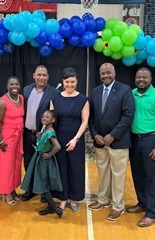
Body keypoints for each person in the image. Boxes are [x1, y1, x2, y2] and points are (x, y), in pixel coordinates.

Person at [88, 63, 135, 221]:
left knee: (118, 175)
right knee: (103, 173)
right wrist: (95, 135)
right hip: (100, 141)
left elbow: (128, 116)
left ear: (114, 73)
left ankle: (118, 206)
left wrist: (113, 135)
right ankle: (103, 200)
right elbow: (92, 117)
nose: (106, 76)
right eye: (103, 73)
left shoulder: (124, 89)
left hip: (118, 141)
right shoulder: (95, 91)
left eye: (109, 73)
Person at [126, 67, 155, 227]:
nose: (141, 80)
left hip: (151, 140)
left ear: (151, 78)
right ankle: (142, 203)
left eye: (144, 77)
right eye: (138, 77)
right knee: (138, 175)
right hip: (134, 140)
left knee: (152, 178)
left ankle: (152, 213)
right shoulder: (130, 94)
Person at [50, 67, 89, 211]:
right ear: (63, 82)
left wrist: (76, 139)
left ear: (77, 81)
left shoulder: (83, 99)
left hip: (76, 140)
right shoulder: (55, 98)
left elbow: (85, 121)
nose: (70, 85)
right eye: (67, 82)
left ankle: (73, 198)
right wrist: (52, 139)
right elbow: (51, 120)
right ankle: (62, 198)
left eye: (72, 82)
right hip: (59, 140)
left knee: (75, 169)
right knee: (61, 169)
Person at [21, 65, 59, 202]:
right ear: (34, 75)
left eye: (44, 75)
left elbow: (53, 115)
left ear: (48, 77)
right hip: (27, 134)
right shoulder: (26, 90)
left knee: (42, 164)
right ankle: (30, 189)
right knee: (28, 162)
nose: (41, 77)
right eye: (39, 75)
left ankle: (43, 192)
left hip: (41, 135)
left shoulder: (54, 92)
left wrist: (45, 133)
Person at [21, 110, 63, 218]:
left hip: (44, 160)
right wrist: (39, 135)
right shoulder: (45, 129)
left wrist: (49, 155)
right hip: (39, 158)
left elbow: (57, 146)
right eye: (43, 116)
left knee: (43, 184)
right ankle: (51, 207)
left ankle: (56, 209)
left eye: (47, 117)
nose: (44, 118)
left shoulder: (50, 132)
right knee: (42, 183)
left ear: (53, 120)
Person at [0, 76, 24, 205]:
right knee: (6, 166)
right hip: (7, 138)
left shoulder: (21, 98)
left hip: (18, 136)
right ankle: (6, 192)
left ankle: (12, 189)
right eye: (11, 84)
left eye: (16, 84)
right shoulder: (2, 101)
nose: (14, 87)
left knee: (16, 164)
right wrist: (0, 141)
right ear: (7, 86)